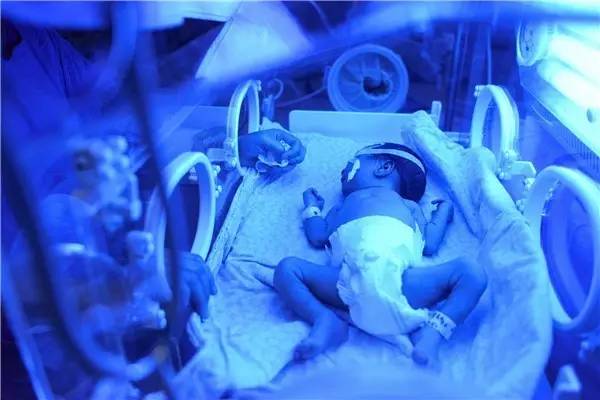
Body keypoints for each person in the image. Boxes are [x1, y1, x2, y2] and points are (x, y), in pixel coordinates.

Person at [273, 142, 487, 366]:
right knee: (287, 268)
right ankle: (325, 320)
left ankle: (434, 332)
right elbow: (317, 236)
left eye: (351, 164)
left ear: (384, 167)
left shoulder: (409, 206)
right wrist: (311, 208)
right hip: (347, 283)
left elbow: (430, 243)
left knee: (472, 272)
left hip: (401, 281)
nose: (342, 171)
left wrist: (443, 213)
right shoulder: (339, 208)